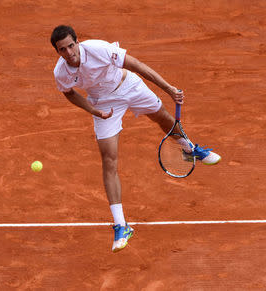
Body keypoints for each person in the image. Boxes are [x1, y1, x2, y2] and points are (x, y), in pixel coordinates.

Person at [50, 25, 221, 253]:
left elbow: (136, 65)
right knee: (109, 160)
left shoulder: (98, 49)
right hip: (103, 104)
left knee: (164, 119)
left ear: (77, 42)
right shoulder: (61, 72)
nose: (69, 52)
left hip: (129, 86)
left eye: (71, 46)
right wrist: (93, 110)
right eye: (63, 49)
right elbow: (69, 93)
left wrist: (168, 88)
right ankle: (121, 225)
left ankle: (189, 149)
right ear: (58, 52)